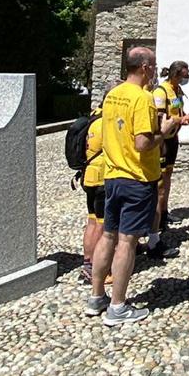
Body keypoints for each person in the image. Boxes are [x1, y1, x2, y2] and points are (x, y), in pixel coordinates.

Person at [87, 47, 179, 325]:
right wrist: (164, 132)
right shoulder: (143, 99)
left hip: (112, 174)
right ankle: (118, 306)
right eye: (153, 66)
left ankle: (96, 296)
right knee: (127, 241)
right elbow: (142, 143)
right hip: (137, 177)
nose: (154, 71)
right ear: (144, 67)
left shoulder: (112, 94)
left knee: (108, 236)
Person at [150, 60, 189, 250]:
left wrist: (183, 116)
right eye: (185, 75)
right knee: (160, 181)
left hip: (173, 138)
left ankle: (164, 211)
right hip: (163, 140)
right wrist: (181, 119)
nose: (187, 78)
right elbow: (161, 117)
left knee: (167, 177)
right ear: (175, 74)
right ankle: (157, 222)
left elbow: (177, 108)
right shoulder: (161, 91)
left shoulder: (176, 90)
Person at [79, 97, 107, 286]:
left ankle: (87, 263)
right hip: (101, 177)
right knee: (102, 225)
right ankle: (97, 268)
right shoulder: (105, 122)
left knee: (91, 221)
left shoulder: (93, 116)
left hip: (88, 175)